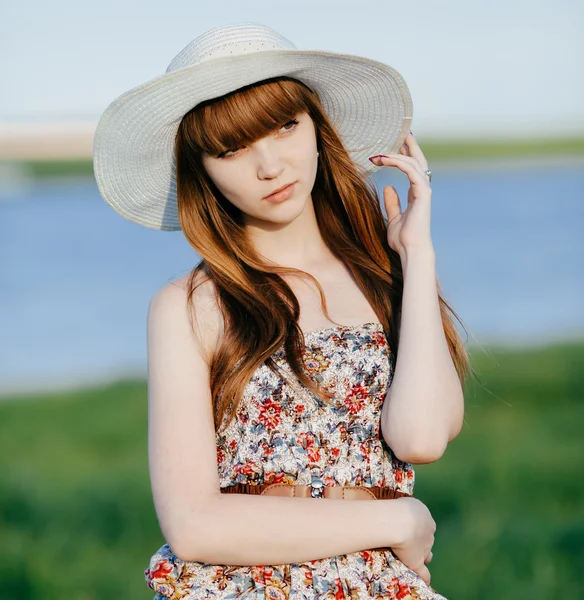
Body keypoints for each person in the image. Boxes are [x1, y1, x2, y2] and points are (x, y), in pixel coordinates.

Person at [93, 22, 470, 600]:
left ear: (318, 126)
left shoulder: (389, 277)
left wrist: (417, 257)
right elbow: (193, 525)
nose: (269, 166)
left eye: (285, 126)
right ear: (203, 171)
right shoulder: (191, 306)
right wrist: (398, 520)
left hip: (377, 585)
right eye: (231, 149)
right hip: (242, 585)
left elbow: (422, 437)